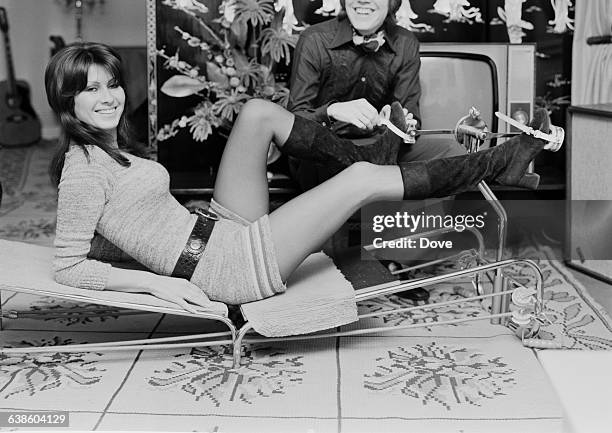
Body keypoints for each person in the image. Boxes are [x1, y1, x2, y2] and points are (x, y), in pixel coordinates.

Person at [45, 42, 554, 310]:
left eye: (112, 84)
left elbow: (118, 231)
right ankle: (499, 161)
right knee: (361, 185)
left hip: (214, 227)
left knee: (259, 114)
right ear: (68, 102)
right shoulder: (81, 169)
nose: (108, 96)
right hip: (223, 267)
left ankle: (377, 156)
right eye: (90, 90)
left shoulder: (106, 150)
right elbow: (67, 267)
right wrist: (157, 287)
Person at [288, 0, 466, 192]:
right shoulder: (314, 40)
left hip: (381, 150)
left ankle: (419, 228)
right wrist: (331, 111)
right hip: (323, 153)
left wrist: (396, 121)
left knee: (451, 152)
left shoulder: (406, 44)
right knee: (337, 169)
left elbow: (409, 120)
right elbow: (294, 123)